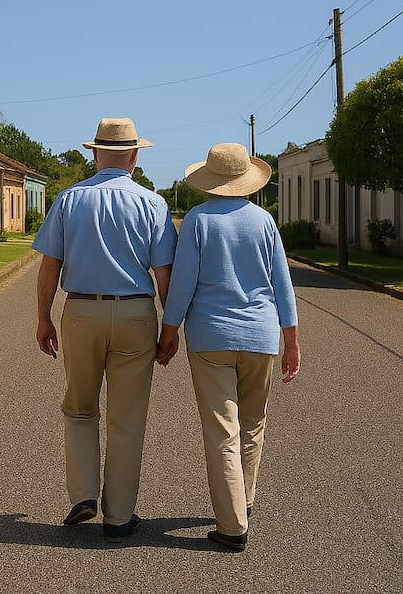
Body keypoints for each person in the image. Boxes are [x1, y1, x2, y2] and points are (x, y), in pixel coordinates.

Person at [32, 117, 177, 543]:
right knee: (127, 418)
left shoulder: (70, 200)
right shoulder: (152, 204)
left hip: (80, 311)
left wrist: (43, 316)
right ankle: (118, 515)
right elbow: (164, 272)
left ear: (94, 153)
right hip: (136, 312)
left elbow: (49, 265)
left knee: (79, 406)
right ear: (134, 156)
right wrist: (170, 329)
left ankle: (82, 493)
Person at [156, 141, 301, 552]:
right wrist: (291, 342)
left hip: (210, 338)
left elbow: (182, 285)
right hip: (261, 336)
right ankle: (244, 500)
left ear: (210, 180)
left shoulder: (198, 222)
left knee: (223, 430)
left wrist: (169, 334)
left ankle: (233, 524)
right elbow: (283, 287)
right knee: (253, 424)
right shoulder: (264, 222)